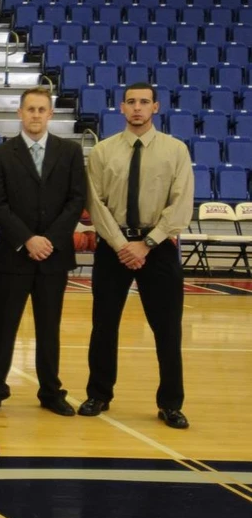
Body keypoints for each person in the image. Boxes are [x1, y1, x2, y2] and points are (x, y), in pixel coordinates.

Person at [82, 83, 193, 429]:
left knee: (167, 329)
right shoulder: (102, 152)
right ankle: (99, 394)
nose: (137, 108)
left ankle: (170, 403)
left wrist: (147, 244)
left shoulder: (176, 151)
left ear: (156, 107)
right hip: (113, 247)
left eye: (144, 102)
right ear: (121, 108)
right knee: (103, 326)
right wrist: (121, 245)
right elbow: (95, 204)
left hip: (158, 248)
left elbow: (181, 204)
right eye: (131, 102)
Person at [0, 88, 87, 415]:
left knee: (48, 327)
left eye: (42, 109)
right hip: (13, 255)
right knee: (3, 327)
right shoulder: (0, 154)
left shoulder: (69, 152)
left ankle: (50, 390)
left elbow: (76, 201)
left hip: (53, 258)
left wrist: (50, 240)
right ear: (20, 113)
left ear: (50, 114)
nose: (36, 115)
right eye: (30, 109)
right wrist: (28, 239)